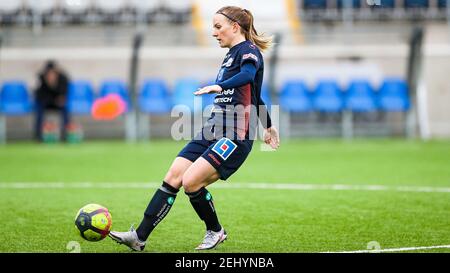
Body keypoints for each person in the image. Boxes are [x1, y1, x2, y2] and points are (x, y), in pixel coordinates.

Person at [109, 6, 280, 251]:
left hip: (236, 134)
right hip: (214, 128)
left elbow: (248, 75)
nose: (214, 32)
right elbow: (255, 96)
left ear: (235, 27)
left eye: (218, 27)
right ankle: (139, 237)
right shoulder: (231, 54)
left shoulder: (249, 51)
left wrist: (219, 87)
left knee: (191, 182)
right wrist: (270, 126)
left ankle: (215, 231)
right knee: (173, 176)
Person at [34, 60, 71, 142]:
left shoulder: (63, 78)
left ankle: (66, 134)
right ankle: (38, 135)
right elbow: (39, 95)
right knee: (39, 109)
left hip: (58, 103)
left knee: (65, 109)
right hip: (46, 102)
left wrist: (60, 97)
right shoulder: (41, 79)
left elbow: (64, 92)